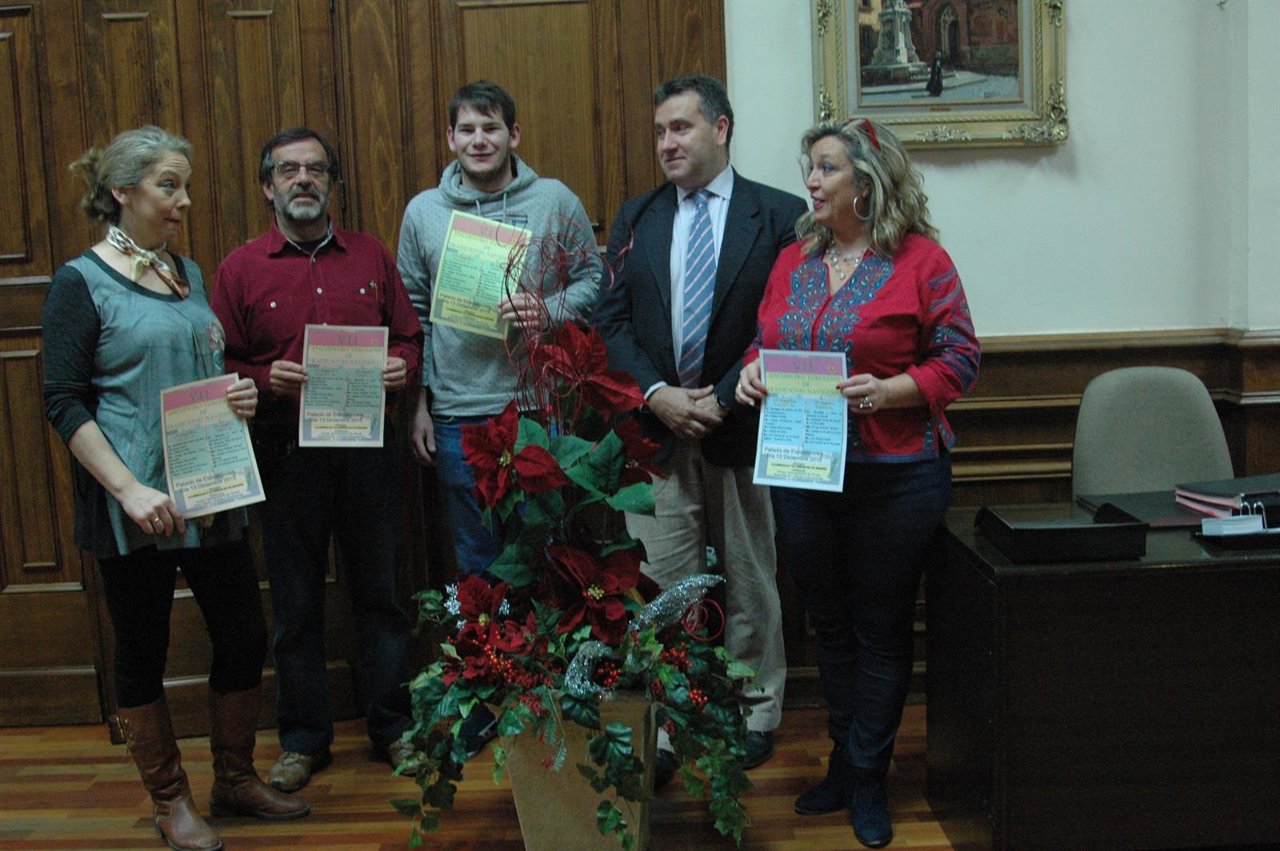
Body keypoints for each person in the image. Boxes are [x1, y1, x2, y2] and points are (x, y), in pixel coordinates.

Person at [42, 126, 309, 851]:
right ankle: (170, 800)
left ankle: (233, 777)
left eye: (184, 185)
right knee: (142, 648)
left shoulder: (183, 270)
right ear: (122, 192)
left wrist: (237, 394)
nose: (183, 200)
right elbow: (64, 401)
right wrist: (127, 490)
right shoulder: (81, 282)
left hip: (209, 485)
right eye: (169, 185)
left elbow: (194, 368)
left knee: (243, 633)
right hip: (136, 504)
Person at [735, 117, 980, 849]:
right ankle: (846, 759)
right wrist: (752, 368)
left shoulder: (922, 261)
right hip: (804, 470)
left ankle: (871, 775)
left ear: (867, 181)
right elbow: (765, 337)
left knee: (880, 627)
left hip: (896, 475)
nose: (810, 182)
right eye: (809, 168)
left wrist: (893, 389)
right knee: (831, 626)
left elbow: (962, 358)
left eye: (825, 169)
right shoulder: (792, 261)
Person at [595, 74, 806, 784]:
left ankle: (755, 711)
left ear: (721, 129)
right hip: (658, 434)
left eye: (680, 128)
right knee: (664, 588)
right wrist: (656, 394)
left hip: (741, 428)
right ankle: (668, 716)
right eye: (659, 131)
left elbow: (785, 322)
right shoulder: (638, 216)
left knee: (749, 582)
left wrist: (719, 396)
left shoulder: (779, 215)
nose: (666, 143)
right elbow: (611, 323)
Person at [211, 127, 424, 793]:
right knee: (297, 603)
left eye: (315, 170)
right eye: (288, 171)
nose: (303, 180)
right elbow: (219, 365)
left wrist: (399, 369)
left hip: (369, 454)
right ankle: (304, 739)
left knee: (381, 596)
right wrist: (263, 377)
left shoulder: (370, 255)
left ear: (332, 183)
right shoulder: (240, 268)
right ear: (267, 186)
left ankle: (393, 727)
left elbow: (412, 338)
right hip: (285, 456)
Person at [398, 79, 600, 577]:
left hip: (534, 408)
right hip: (455, 415)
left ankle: (543, 657)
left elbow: (595, 279)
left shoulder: (553, 199)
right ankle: (490, 658)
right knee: (476, 559)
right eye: (467, 129)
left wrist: (550, 308)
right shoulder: (423, 212)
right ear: (450, 138)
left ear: (514, 134)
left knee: (542, 553)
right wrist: (418, 405)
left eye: (491, 127)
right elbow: (412, 315)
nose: (479, 140)